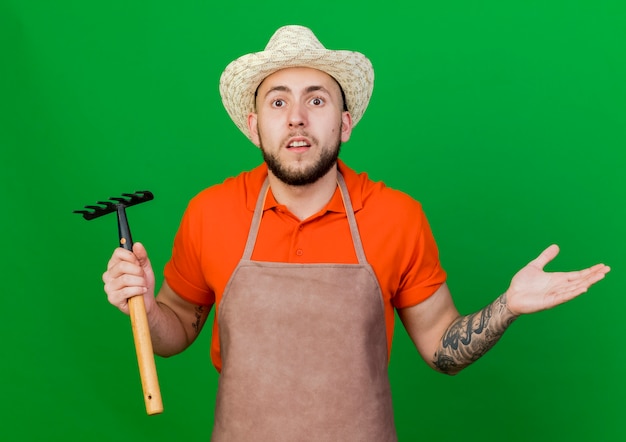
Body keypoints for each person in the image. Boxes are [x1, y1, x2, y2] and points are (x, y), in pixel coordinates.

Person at [102, 25, 610, 441]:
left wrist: (508, 306)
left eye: (316, 100)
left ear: (345, 122)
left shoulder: (396, 215)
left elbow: (442, 350)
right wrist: (147, 309)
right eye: (277, 103)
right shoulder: (210, 212)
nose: (297, 118)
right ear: (254, 126)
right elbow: (175, 334)